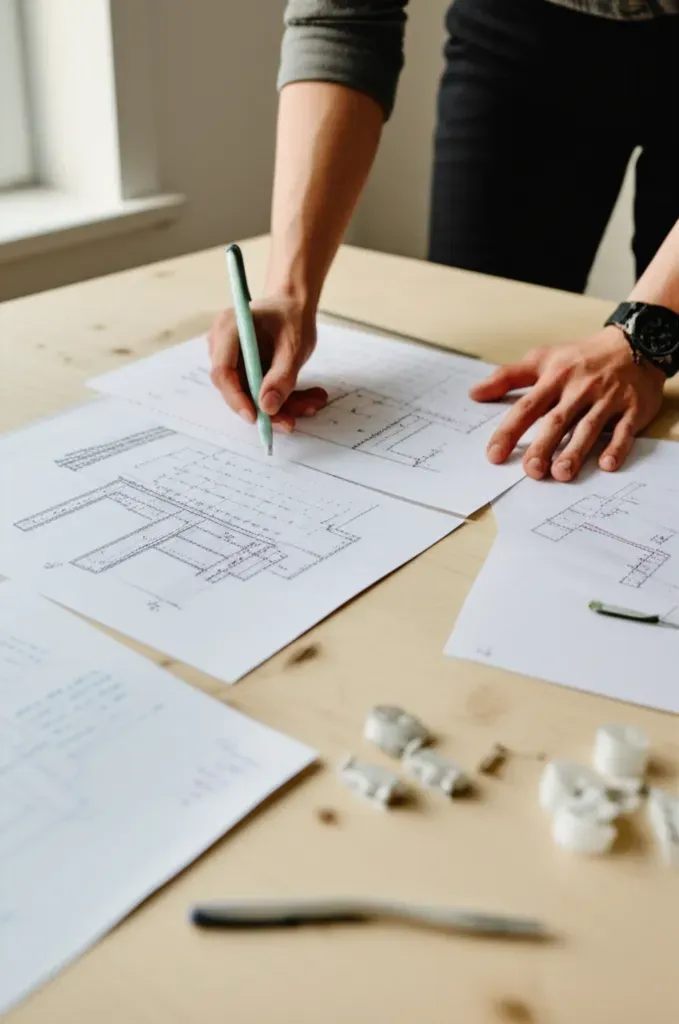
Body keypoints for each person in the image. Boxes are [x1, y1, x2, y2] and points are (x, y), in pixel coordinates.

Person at [209, 0, 679, 482]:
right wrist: (290, 290)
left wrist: (644, 335)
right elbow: (341, 19)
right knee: (480, 372)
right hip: (524, 34)